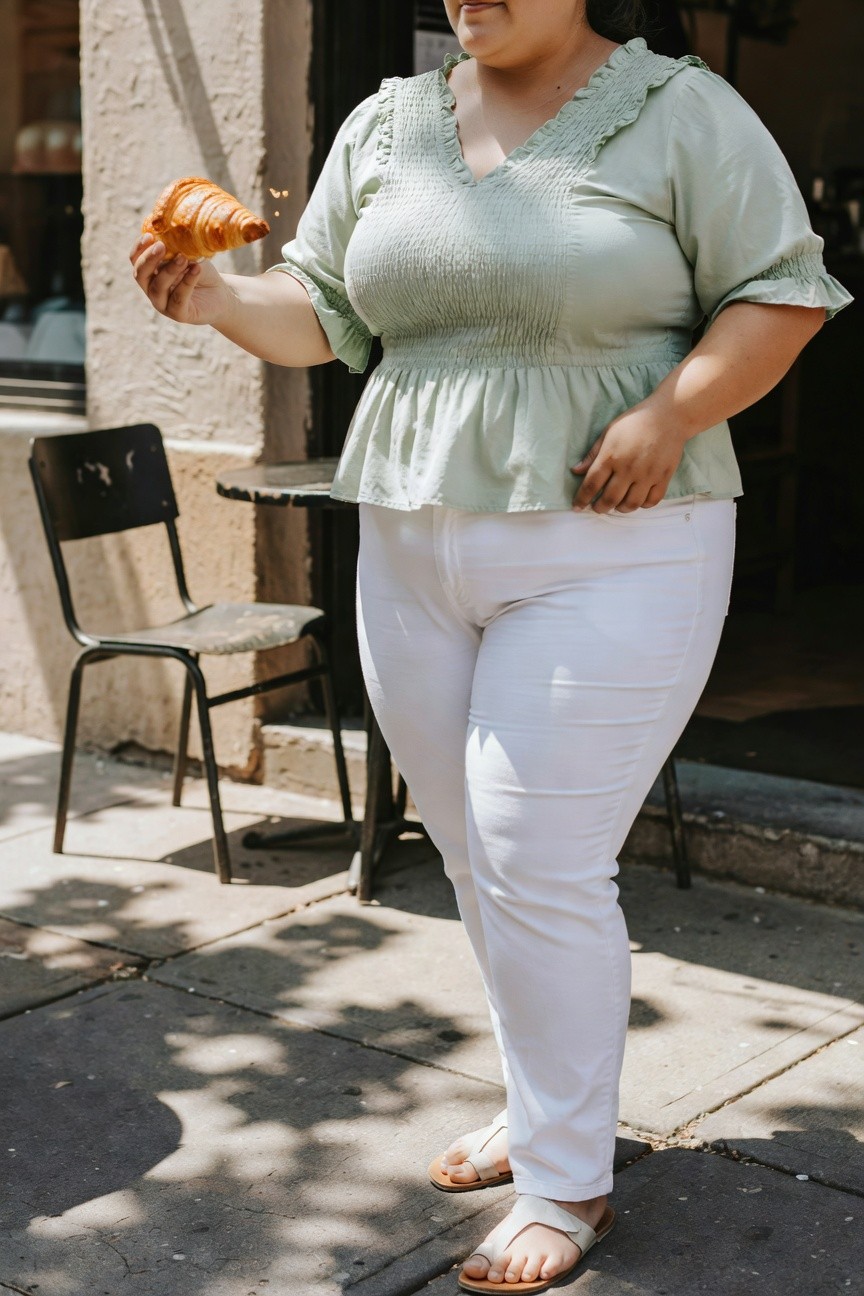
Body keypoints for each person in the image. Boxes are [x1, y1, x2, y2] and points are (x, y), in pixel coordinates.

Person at [131, 2, 852, 1290]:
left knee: (536, 859)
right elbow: (325, 311)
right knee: (475, 857)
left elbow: (781, 292)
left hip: (615, 539)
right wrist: (220, 300)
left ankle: (566, 1179)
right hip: (411, 539)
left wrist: (671, 413)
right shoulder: (386, 122)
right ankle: (542, 1110)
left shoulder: (680, 109)